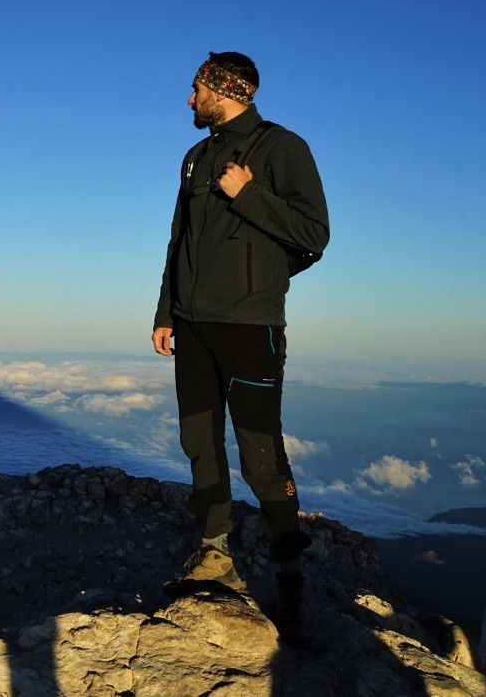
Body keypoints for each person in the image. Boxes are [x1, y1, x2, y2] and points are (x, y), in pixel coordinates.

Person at [152, 50, 329, 596]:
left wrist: (248, 194)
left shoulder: (283, 147)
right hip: (192, 324)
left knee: (259, 451)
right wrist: (165, 311)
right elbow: (178, 239)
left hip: (251, 326)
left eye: (196, 89)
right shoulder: (193, 158)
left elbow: (313, 235)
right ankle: (212, 550)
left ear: (223, 90)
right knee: (198, 439)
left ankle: (287, 567)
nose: (189, 99)